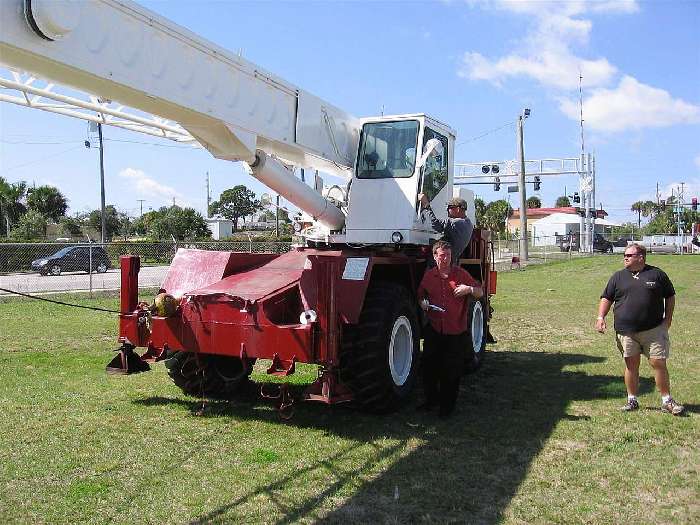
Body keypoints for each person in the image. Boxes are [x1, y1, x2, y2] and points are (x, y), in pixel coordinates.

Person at [596, 243, 684, 415]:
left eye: (629, 255)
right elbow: (607, 297)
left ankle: (667, 401)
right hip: (626, 331)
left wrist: (668, 319)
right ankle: (632, 400)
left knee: (658, 363)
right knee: (631, 365)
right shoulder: (618, 277)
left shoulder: (657, 274)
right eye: (625, 255)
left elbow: (670, 296)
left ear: (641, 257)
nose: (625, 258)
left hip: (653, 330)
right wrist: (600, 317)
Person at [417, 240, 483, 418]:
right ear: (435, 256)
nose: (445, 259)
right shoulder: (429, 276)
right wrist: (423, 303)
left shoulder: (460, 274)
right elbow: (421, 293)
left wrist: (468, 288)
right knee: (429, 368)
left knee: (451, 372)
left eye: (448, 255)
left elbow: (480, 292)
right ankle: (431, 401)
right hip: (435, 329)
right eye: (441, 255)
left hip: (455, 332)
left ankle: (447, 408)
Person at [418, 194, 474, 264]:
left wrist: (426, 205)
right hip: (451, 261)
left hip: (441, 262)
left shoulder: (456, 223)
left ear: (458, 209)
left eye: (449, 207)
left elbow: (435, 225)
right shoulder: (468, 224)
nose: (447, 209)